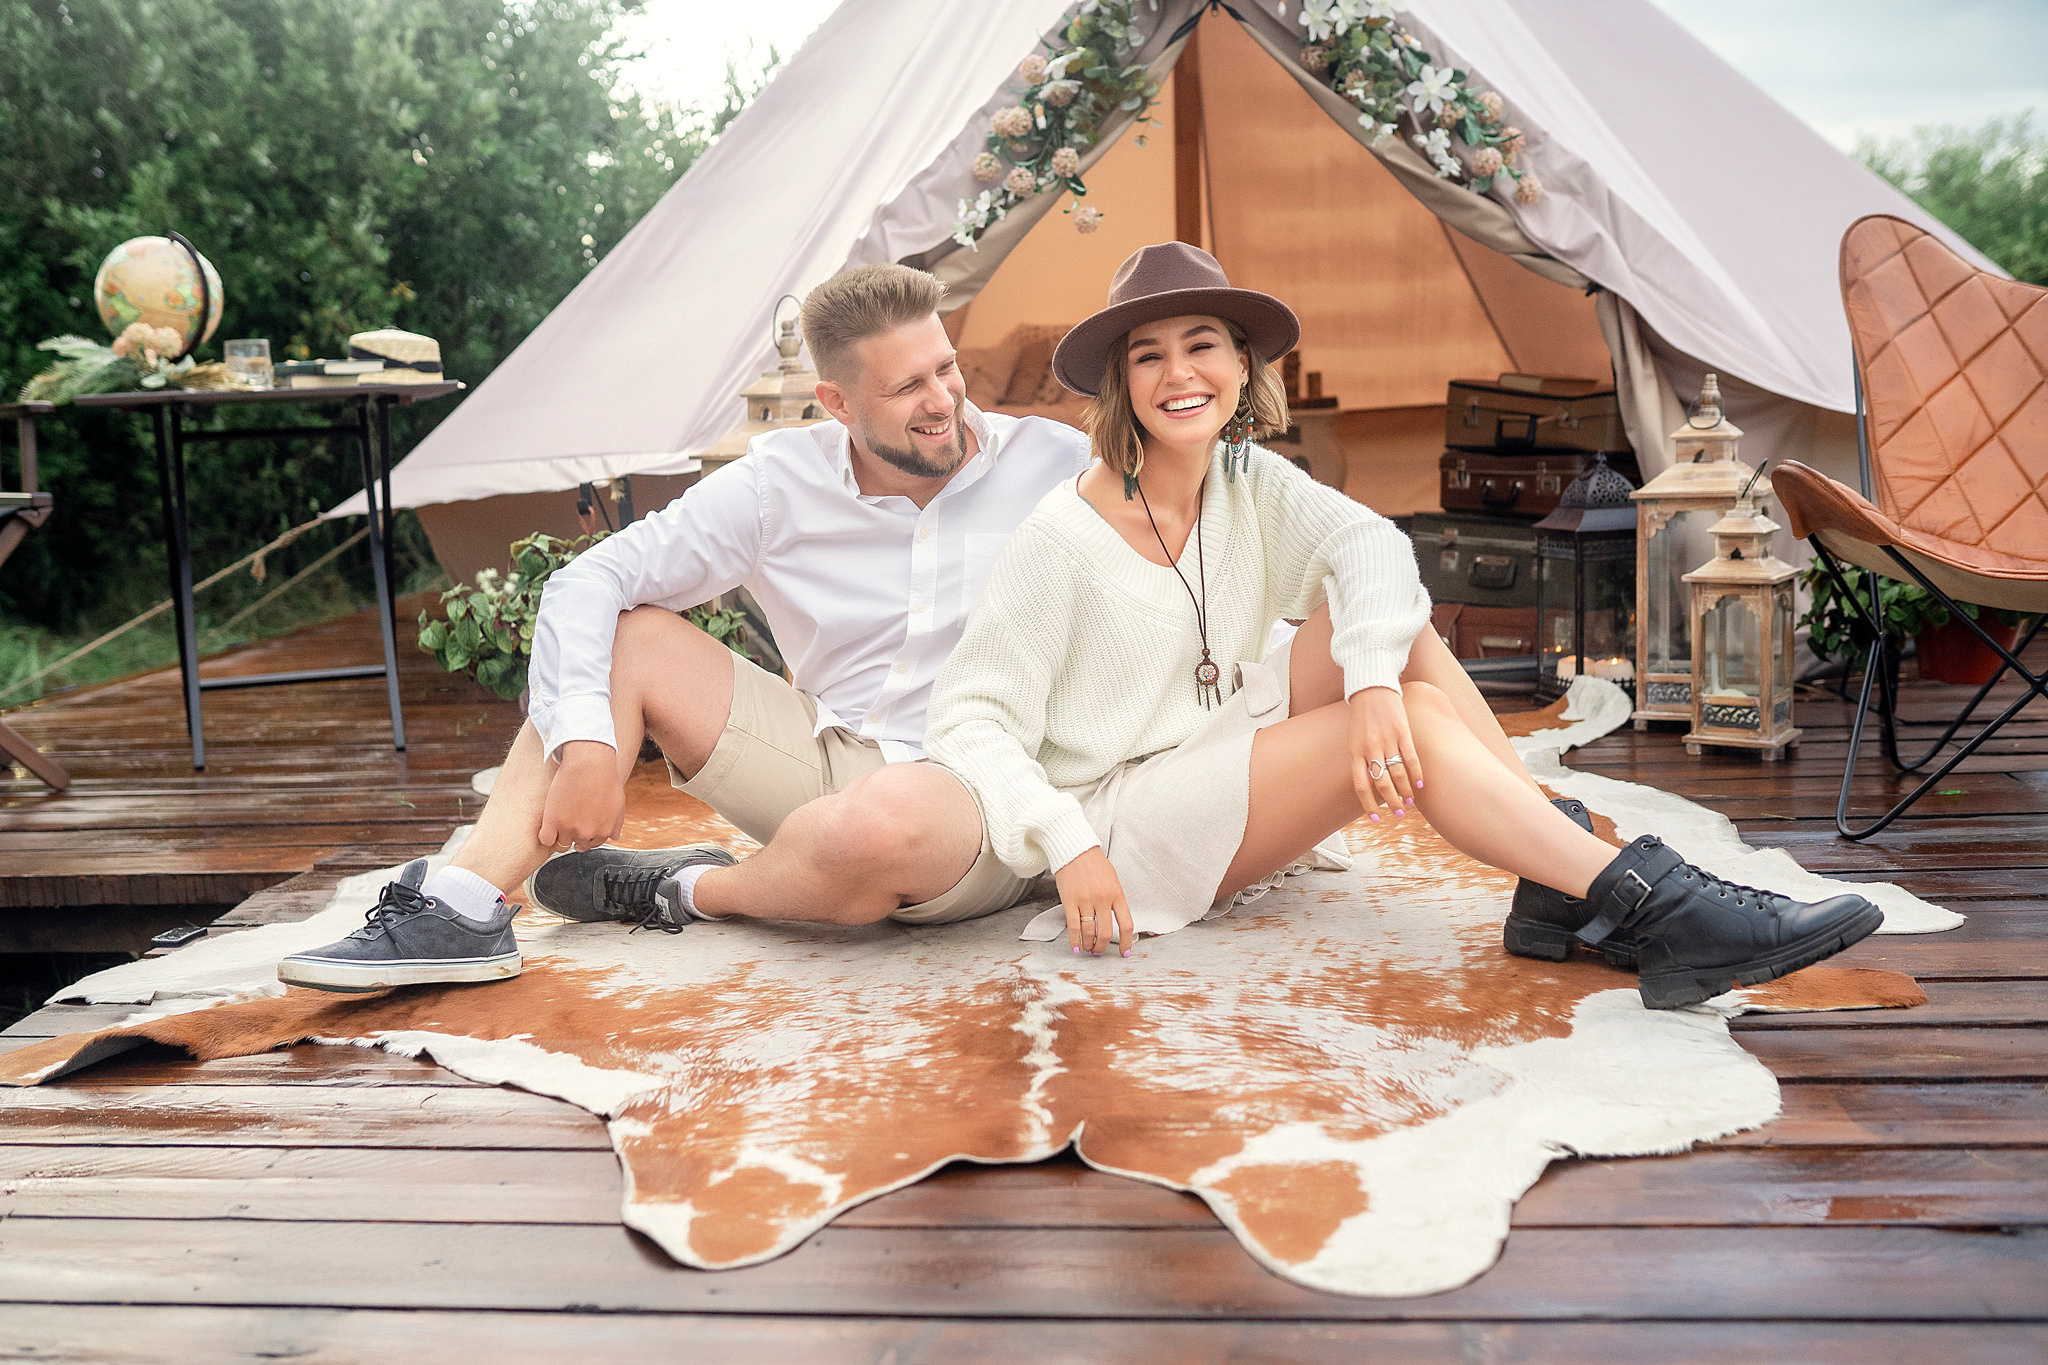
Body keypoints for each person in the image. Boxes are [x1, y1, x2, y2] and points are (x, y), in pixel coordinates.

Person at [922, 242, 1882, 1010]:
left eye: (1201, 342)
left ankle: (1562, 866)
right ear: (1121, 386)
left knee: (1391, 635)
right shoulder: (1060, 536)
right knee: (1418, 719)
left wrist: (1370, 678)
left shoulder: (1245, 481)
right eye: (1148, 354)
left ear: (1241, 361)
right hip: (1122, 823)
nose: (1179, 373)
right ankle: (1655, 906)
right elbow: (966, 720)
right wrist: (1066, 842)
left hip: (1213, 748)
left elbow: (1375, 547)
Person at [277, 263, 1087, 992]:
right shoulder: (781, 480)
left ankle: (688, 888)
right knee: (631, 636)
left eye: (946, 368)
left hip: (981, 791)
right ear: (836, 402)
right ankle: (460, 909)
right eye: (907, 387)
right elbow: (590, 577)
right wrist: (587, 742)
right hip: (834, 754)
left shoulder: (1057, 465)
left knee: (883, 827)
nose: (943, 399)